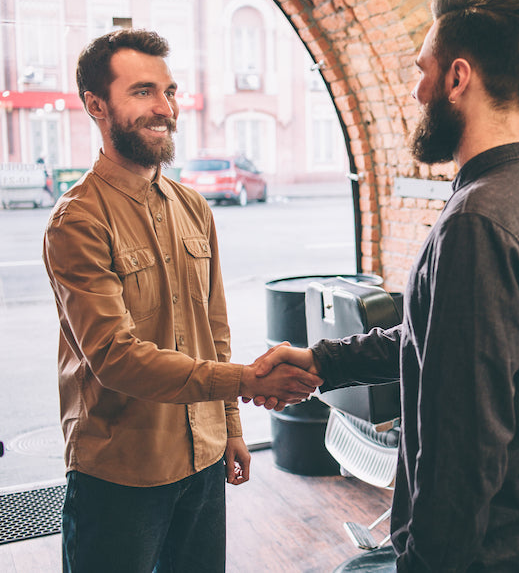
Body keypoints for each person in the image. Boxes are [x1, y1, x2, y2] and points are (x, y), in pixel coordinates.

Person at [253, 0, 519, 572]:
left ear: (458, 78)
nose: (415, 90)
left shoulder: (478, 222)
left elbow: (463, 446)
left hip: (482, 554)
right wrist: (324, 362)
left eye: (422, 71)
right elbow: (432, 341)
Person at [43, 28, 323, 573]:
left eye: (169, 92)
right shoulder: (76, 220)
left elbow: (214, 328)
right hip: (122, 469)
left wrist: (233, 430)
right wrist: (244, 382)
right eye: (143, 92)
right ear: (96, 105)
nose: (165, 108)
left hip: (203, 456)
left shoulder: (194, 206)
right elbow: (115, 357)